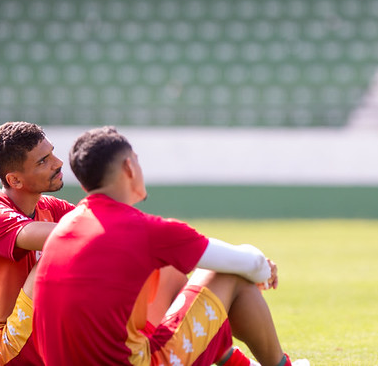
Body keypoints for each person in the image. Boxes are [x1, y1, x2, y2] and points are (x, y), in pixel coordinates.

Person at [32, 126, 308, 366]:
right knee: (228, 274)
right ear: (129, 167)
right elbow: (245, 262)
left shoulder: (63, 229)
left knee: (170, 272)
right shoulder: (147, 229)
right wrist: (262, 270)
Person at [0, 121, 75, 366]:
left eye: (52, 152)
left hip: (34, 339)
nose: (58, 162)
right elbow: (76, 235)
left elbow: (102, 225)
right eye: (43, 161)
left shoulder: (48, 207)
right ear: (15, 180)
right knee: (63, 250)